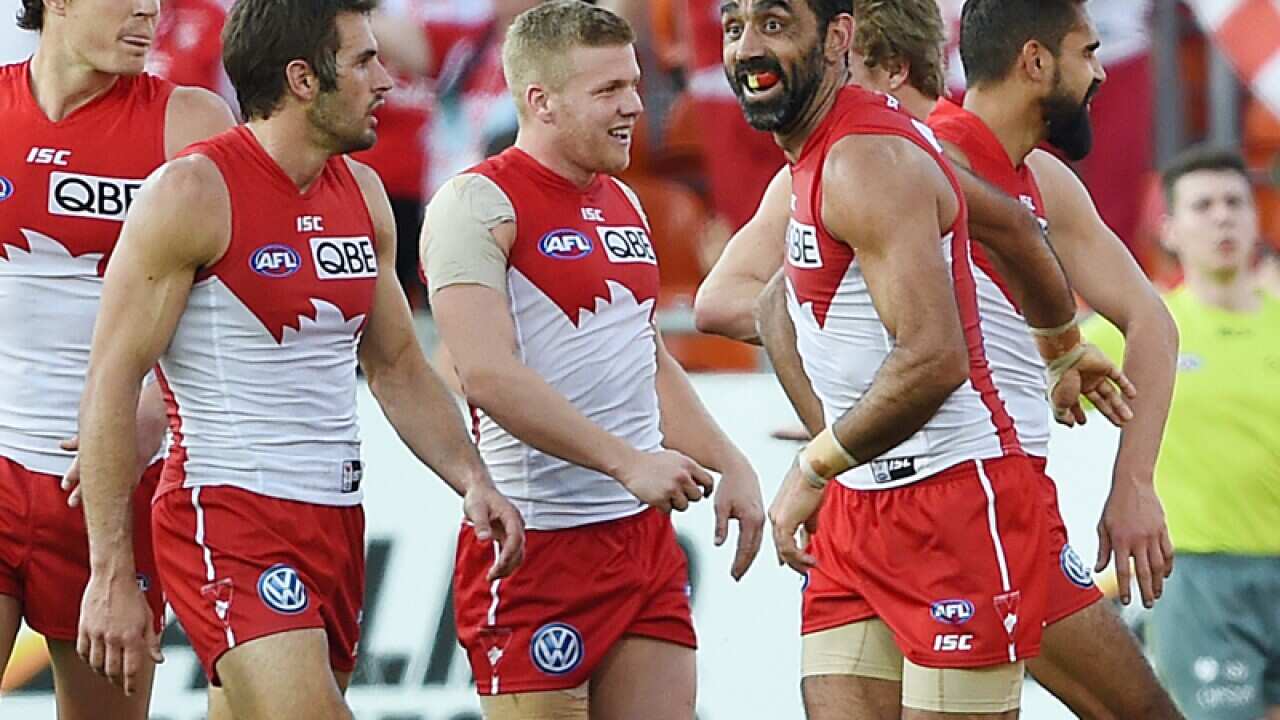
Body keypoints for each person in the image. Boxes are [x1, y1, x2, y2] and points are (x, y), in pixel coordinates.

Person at [702, 0, 1185, 716]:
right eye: (1089, 53)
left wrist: (1072, 370)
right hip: (913, 489)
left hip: (978, 495)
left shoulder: (947, 163)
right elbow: (754, 301)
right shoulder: (875, 155)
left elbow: (1087, 283)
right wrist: (846, 429)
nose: (1101, 72)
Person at [72, 1, 526, 719]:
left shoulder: (366, 194)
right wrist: (110, 571)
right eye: (363, 62)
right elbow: (113, 376)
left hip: (336, 520)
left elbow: (400, 367)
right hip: (227, 513)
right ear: (302, 79)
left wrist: (472, 478)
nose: (386, 80)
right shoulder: (192, 191)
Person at [421, 3, 764, 718]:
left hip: (640, 543)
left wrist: (730, 460)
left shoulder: (627, 205)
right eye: (607, 90)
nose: (634, 105)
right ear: (540, 101)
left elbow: (645, 354)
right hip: (536, 546)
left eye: (633, 84)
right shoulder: (475, 204)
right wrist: (626, 461)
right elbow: (484, 373)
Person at [0, 0, 235, 715]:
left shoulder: (191, 123)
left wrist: (154, 410)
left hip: (110, 491)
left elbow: (230, 313)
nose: (147, 11)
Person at [1087, 146, 1280, 720]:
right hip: (1200, 575)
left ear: (1255, 218)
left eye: (1234, 203)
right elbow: (1019, 377)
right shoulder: (1143, 330)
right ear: (1169, 229)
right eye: (1203, 205)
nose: (1222, 217)